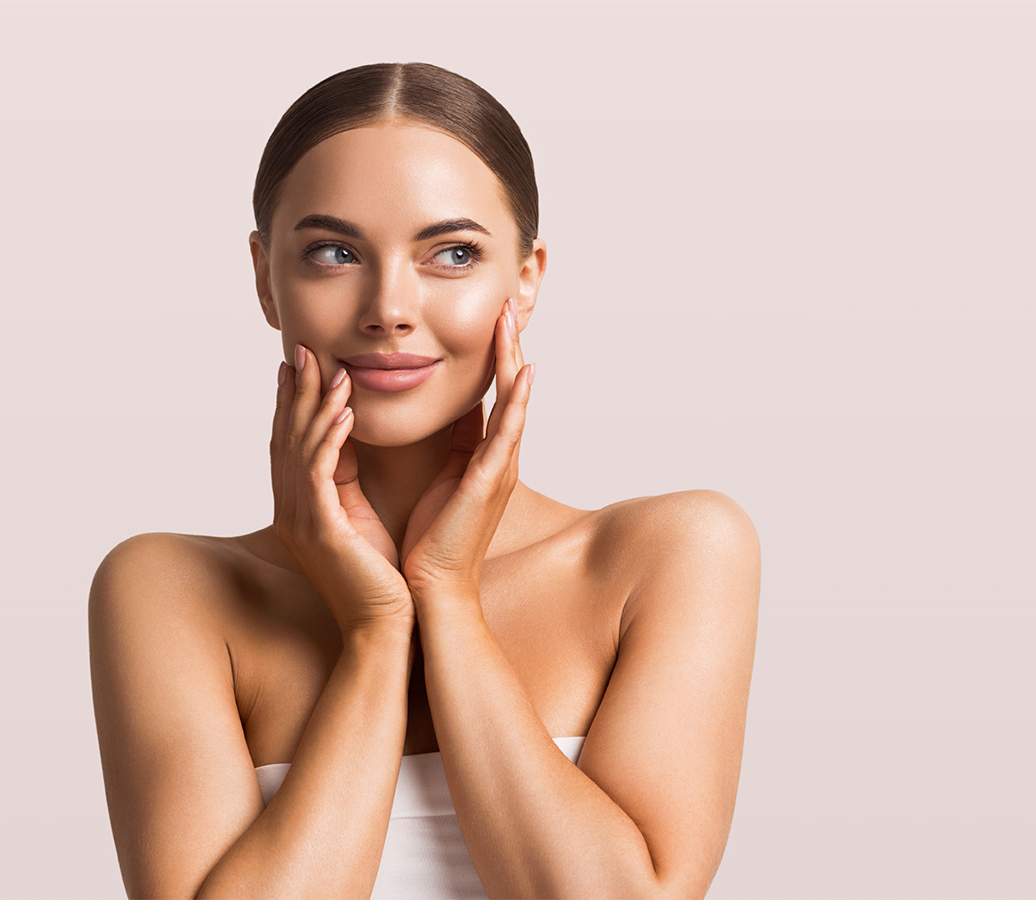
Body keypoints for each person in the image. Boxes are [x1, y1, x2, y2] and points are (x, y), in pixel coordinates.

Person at [89, 61, 761, 899]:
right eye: (335, 252)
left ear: (525, 278)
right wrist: (376, 633)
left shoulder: (668, 554)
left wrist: (445, 597)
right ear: (266, 278)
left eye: (452, 253)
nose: (390, 307)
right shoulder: (168, 589)